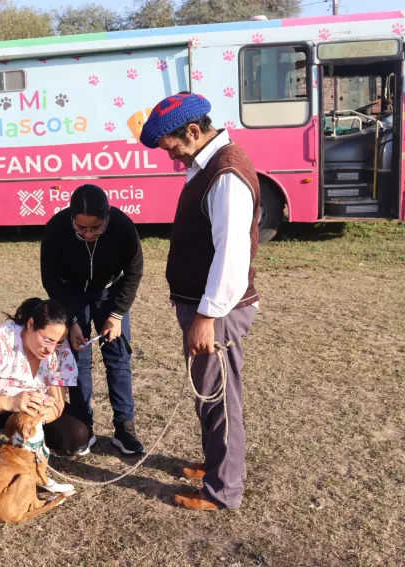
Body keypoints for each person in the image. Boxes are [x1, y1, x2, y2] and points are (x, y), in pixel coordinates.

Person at [139, 92, 260, 511]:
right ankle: (215, 465)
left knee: (220, 398)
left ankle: (223, 490)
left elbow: (231, 256)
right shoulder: (206, 165)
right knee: (209, 394)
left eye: (171, 146)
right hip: (204, 307)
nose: (170, 156)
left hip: (217, 312)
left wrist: (207, 316)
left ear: (193, 131)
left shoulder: (225, 173)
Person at [40, 184, 145, 456]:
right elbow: (50, 278)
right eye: (81, 228)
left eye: (96, 228)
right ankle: (84, 425)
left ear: (107, 217)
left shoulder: (123, 227)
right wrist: (72, 320)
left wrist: (117, 314)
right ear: (71, 217)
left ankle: (125, 428)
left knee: (118, 358)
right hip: (71, 293)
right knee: (78, 359)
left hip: (110, 293)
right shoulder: (56, 228)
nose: (88, 234)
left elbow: (134, 272)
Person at [0, 297, 90, 496]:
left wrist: (40, 419)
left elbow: (57, 402)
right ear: (31, 324)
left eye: (58, 342)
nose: (51, 349)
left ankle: (32, 455)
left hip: (31, 411)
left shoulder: (60, 349)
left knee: (76, 434)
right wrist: (10, 403)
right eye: (47, 340)